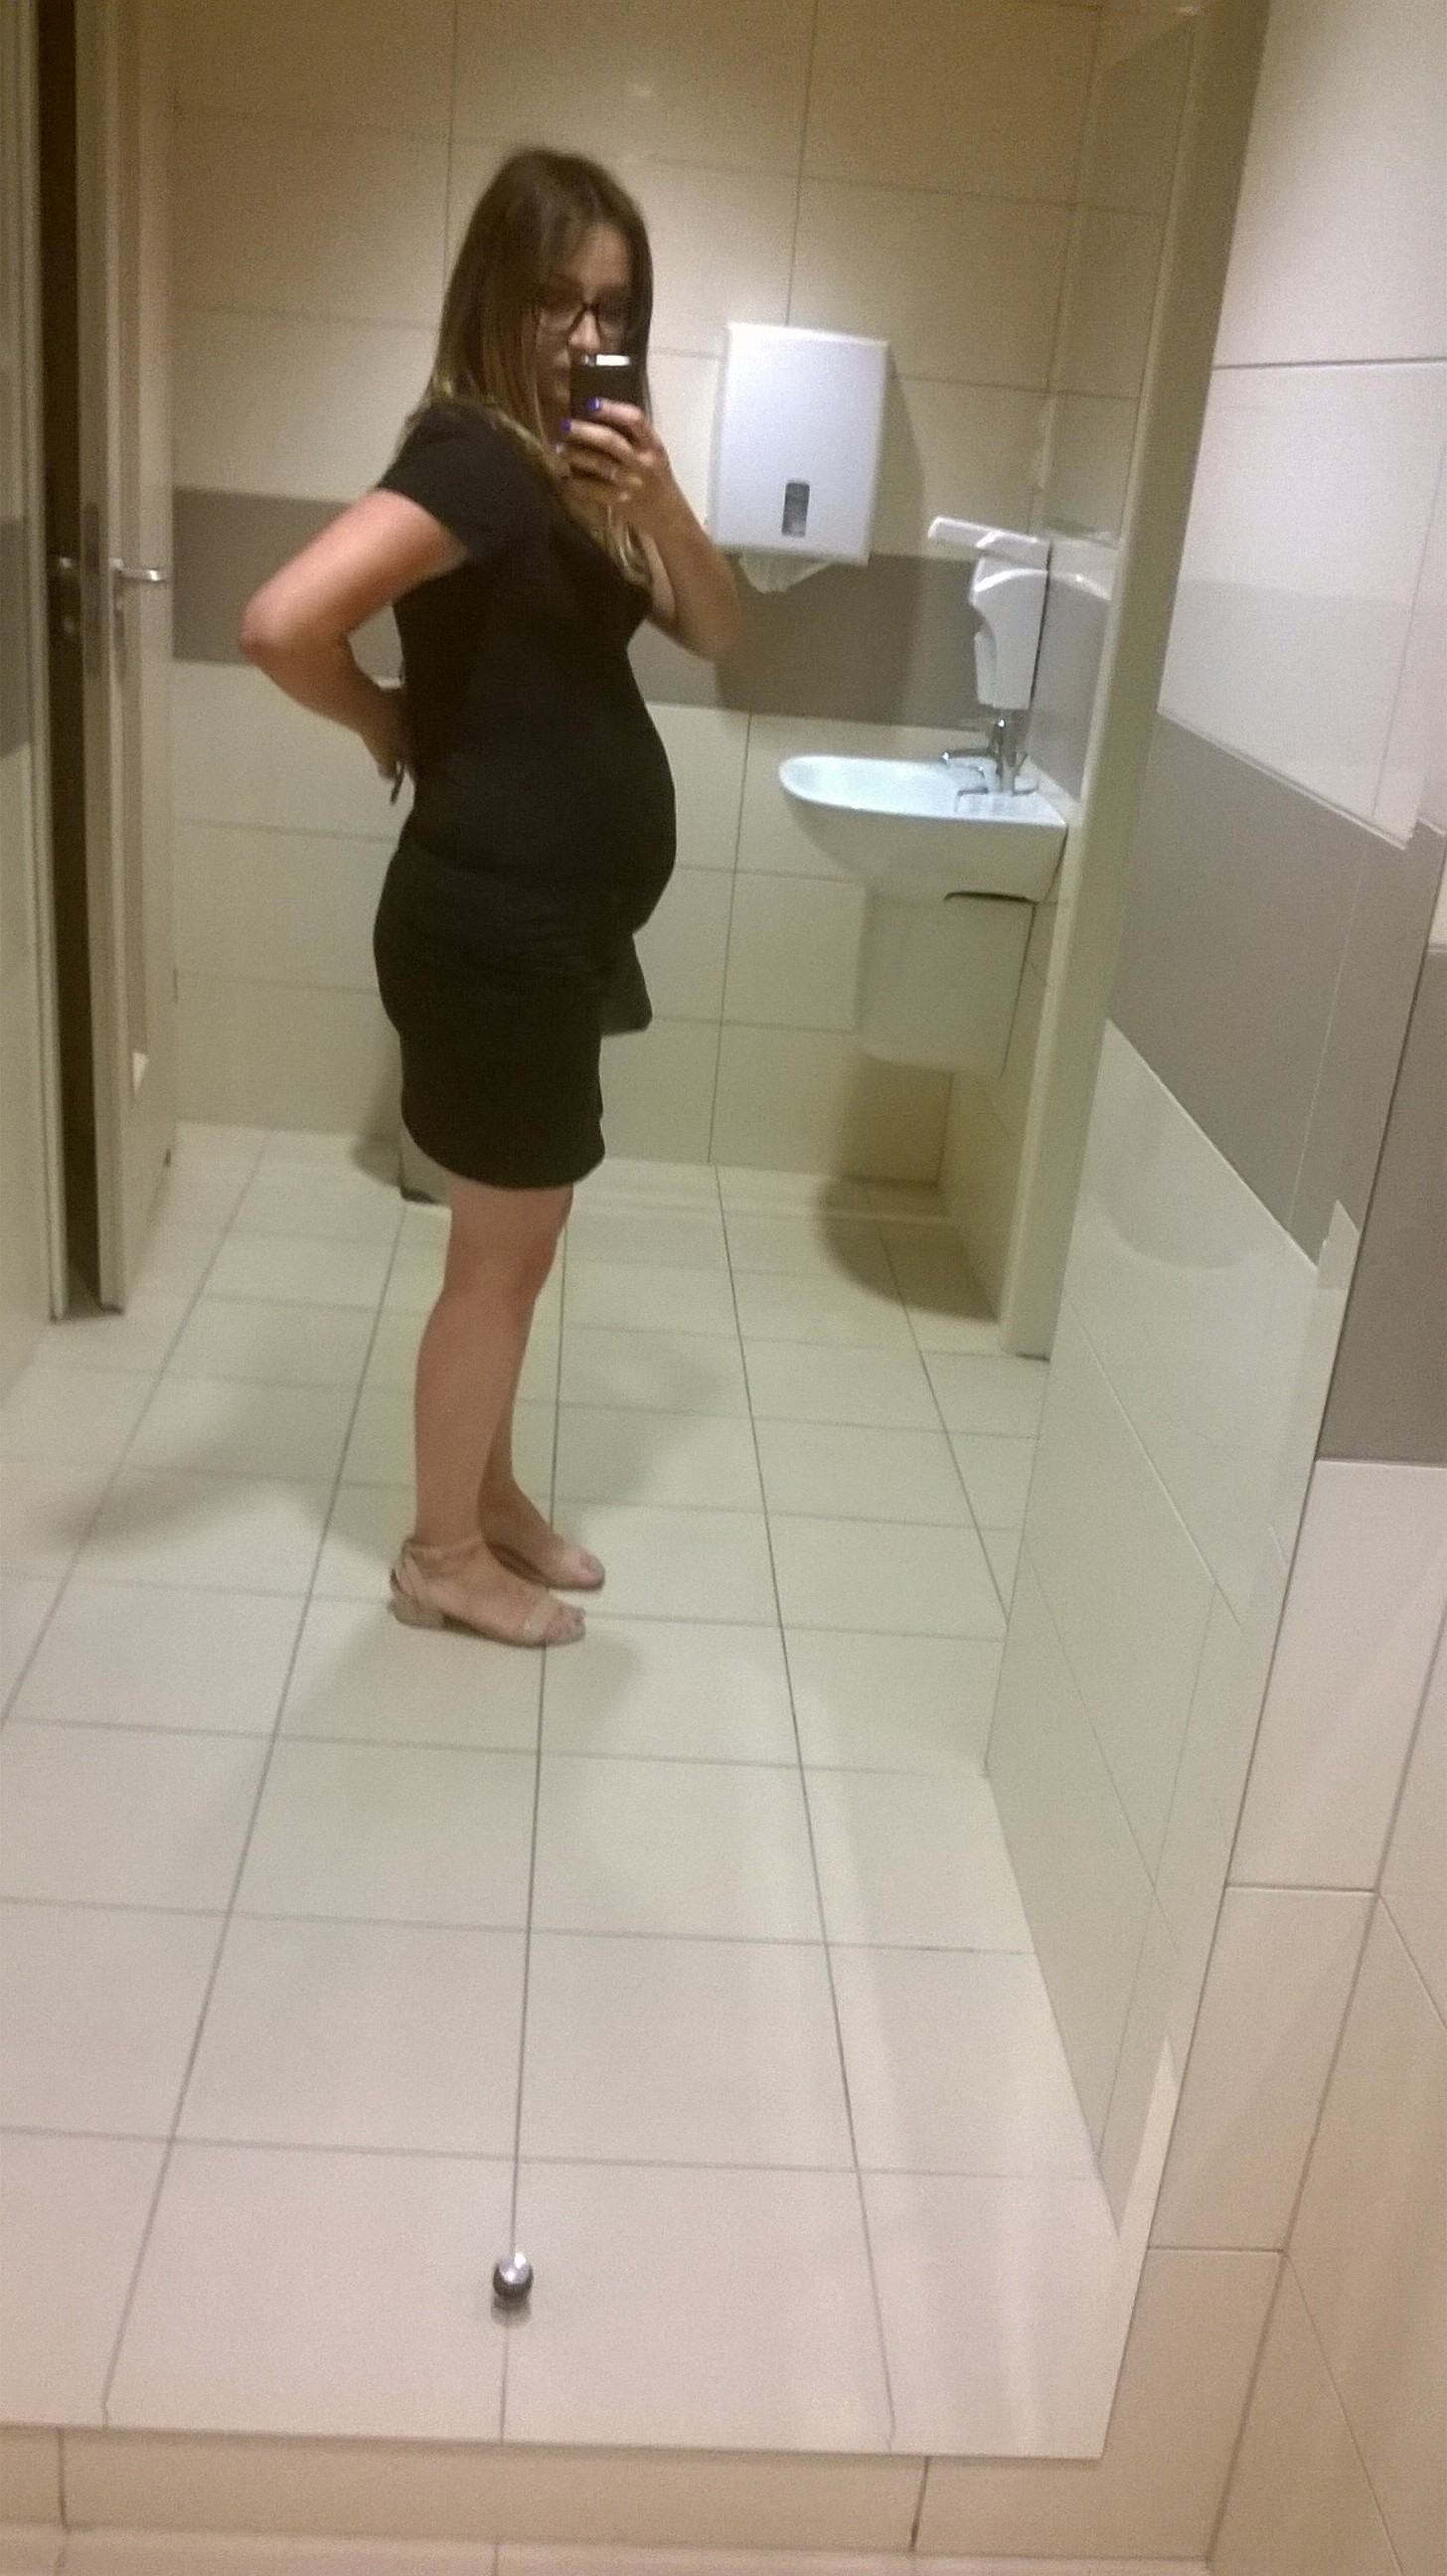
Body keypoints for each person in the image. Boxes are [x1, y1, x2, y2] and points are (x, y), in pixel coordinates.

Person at [240, 148, 740, 1649]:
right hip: (492, 934)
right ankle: (441, 1556)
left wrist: (665, 503)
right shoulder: (471, 458)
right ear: (491, 297)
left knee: (520, 1248)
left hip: (545, 933)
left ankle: (493, 1494)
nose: (586, 333)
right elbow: (282, 623)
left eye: (614, 307)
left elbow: (720, 632)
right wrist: (387, 720)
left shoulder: (565, 473)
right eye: (554, 299)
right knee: (496, 1262)